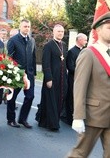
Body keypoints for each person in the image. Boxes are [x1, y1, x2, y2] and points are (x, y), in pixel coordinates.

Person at [67, 12, 110, 157]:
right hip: (94, 116)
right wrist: (78, 116)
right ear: (98, 30)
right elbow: (79, 86)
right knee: (79, 154)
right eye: (109, 28)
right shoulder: (89, 53)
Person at [35, 24, 67, 131]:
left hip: (61, 78)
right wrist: (48, 78)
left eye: (62, 32)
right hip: (52, 78)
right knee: (51, 100)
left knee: (59, 99)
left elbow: (64, 61)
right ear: (53, 32)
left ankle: (50, 119)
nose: (60, 33)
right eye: (58, 31)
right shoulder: (49, 45)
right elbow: (45, 63)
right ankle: (52, 124)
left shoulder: (63, 45)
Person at [6, 19, 36, 129]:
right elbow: (9, 58)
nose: (27, 28)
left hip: (29, 74)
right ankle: (11, 119)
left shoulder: (32, 40)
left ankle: (23, 119)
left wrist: (34, 73)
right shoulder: (13, 40)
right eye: (25, 26)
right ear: (20, 27)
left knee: (30, 96)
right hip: (16, 74)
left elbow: (33, 57)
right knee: (12, 97)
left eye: (28, 26)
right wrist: (11, 73)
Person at [65, 33, 87, 125]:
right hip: (73, 79)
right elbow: (70, 67)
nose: (86, 41)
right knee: (71, 98)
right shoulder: (71, 51)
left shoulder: (85, 51)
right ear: (79, 40)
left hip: (82, 80)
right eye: (85, 40)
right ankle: (70, 119)